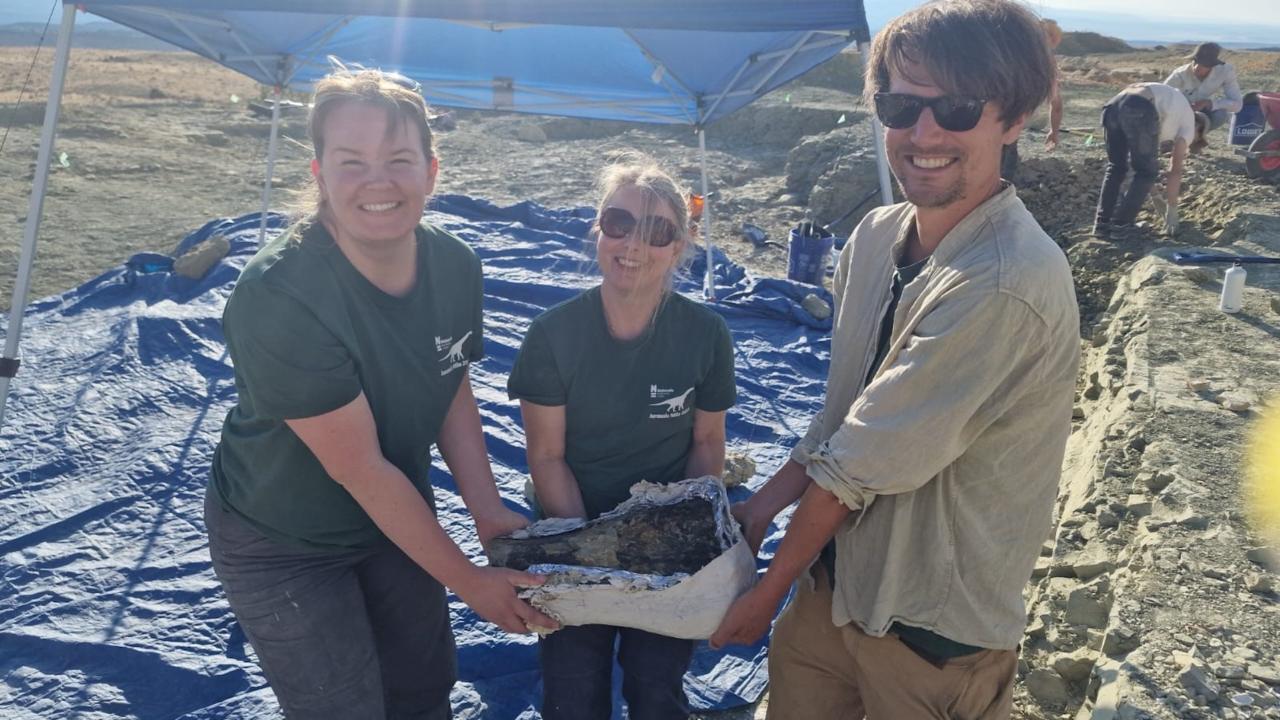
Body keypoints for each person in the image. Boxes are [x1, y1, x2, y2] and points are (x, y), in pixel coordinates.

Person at [708, 2, 1080, 718]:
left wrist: (765, 591)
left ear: (1014, 119)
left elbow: (854, 468)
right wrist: (757, 510)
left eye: (959, 108)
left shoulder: (1005, 283)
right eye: (900, 105)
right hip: (834, 591)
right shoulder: (876, 238)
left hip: (929, 633)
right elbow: (842, 412)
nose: (924, 132)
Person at [205, 66, 557, 719]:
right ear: (319, 175)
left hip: (394, 515)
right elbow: (360, 468)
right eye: (352, 161)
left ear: (431, 170)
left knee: (424, 687)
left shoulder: (454, 266)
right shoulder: (279, 295)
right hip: (284, 539)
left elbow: (451, 389)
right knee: (344, 707)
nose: (378, 181)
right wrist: (474, 583)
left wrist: (486, 513)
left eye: (398, 159)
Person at [508, 154, 736, 720]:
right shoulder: (553, 334)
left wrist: (672, 537)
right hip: (572, 527)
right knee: (573, 686)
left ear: (679, 247)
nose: (634, 244)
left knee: (657, 686)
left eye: (658, 232)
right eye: (619, 222)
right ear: (598, 229)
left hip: (663, 542)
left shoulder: (705, 334)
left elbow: (707, 443)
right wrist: (594, 553)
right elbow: (547, 455)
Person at [1094, 82, 1207, 238]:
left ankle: (1102, 224)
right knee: (1146, 171)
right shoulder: (1188, 125)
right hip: (1138, 107)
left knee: (1116, 167)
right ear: (1198, 129)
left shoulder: (1171, 111)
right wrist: (1172, 208)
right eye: (1197, 139)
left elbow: (1142, 162)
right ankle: (1121, 225)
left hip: (1112, 106)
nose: (1191, 144)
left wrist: (1155, 195)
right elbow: (1175, 171)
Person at [999, 17, 1065, 179]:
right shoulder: (1045, 65)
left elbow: (1056, 104)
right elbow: (1056, 104)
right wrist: (1054, 131)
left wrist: (1054, 131)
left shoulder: (1006, 52)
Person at [1164, 42, 1244, 132]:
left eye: (1204, 65)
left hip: (1205, 113)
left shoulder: (1225, 71)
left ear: (1212, 65)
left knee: (1220, 115)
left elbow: (1237, 105)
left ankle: (1198, 136)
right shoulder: (1180, 74)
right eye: (1196, 61)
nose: (1197, 67)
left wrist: (1209, 103)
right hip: (1180, 113)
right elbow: (1163, 94)